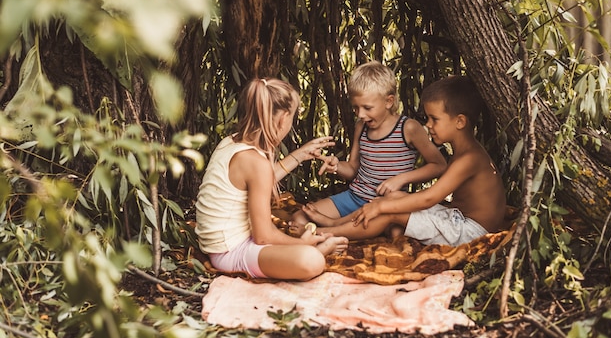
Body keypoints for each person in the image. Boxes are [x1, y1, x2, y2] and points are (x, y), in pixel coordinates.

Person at [311, 75, 507, 247]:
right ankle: (335, 223)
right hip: (457, 220)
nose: (428, 125)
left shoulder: (469, 158)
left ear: (460, 121)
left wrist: (380, 206)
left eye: (434, 119)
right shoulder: (464, 151)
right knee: (395, 198)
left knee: (389, 212)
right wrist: (389, 201)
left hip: (470, 232)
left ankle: (325, 233)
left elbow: (430, 197)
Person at [195, 78, 349, 281]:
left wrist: (301, 154)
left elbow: (261, 181)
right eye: (293, 117)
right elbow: (263, 237)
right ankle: (322, 250)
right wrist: (305, 244)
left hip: (220, 245)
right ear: (283, 118)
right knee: (311, 260)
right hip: (231, 253)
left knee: (302, 253)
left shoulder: (231, 142)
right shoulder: (256, 162)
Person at [290, 60, 447, 234]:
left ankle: (337, 229)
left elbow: (438, 165)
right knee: (299, 220)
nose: (361, 114)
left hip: (387, 205)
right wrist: (337, 166)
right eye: (356, 108)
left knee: (396, 232)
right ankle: (342, 229)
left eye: (367, 108)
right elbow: (353, 169)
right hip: (355, 198)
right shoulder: (361, 127)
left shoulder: (408, 128)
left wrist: (401, 179)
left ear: (389, 101)